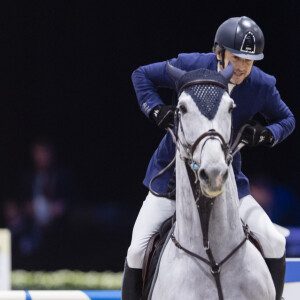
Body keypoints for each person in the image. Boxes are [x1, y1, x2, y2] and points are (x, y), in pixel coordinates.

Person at [122, 16, 295, 300]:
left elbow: (287, 119)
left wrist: (266, 134)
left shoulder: (261, 85)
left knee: (275, 241)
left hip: (226, 181)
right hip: (172, 181)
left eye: (249, 61)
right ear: (219, 52)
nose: (242, 67)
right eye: (236, 57)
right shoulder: (190, 66)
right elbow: (140, 74)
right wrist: (155, 110)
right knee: (137, 250)